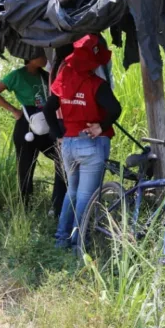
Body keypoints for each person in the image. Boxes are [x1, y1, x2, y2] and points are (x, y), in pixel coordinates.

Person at [50, 34, 122, 249]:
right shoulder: (96, 84)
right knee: (85, 196)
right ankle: (78, 242)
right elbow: (115, 109)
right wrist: (101, 125)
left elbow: (48, 109)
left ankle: (61, 238)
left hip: (69, 144)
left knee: (72, 192)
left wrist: (59, 135)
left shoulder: (62, 79)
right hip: (91, 143)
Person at [0, 51, 67, 213]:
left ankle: (57, 204)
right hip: (27, 123)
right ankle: (24, 207)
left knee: (61, 159)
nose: (45, 59)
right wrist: (14, 111)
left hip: (47, 122)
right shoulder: (17, 75)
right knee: (25, 167)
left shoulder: (46, 75)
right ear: (30, 58)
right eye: (41, 56)